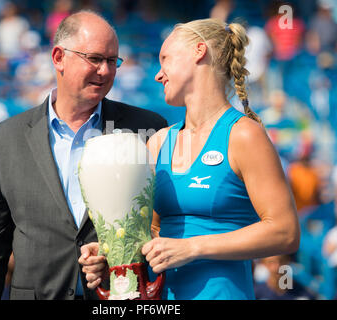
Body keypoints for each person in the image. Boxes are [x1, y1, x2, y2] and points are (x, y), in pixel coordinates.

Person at [80, 18, 300, 300]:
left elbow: (285, 232)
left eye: (165, 59)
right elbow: (152, 233)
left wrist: (192, 247)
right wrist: (110, 251)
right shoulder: (158, 141)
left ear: (199, 51)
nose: (158, 75)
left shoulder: (244, 135)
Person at [0, 10, 167, 300]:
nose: (106, 71)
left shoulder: (147, 129)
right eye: (95, 59)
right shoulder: (5, 139)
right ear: (59, 57)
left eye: (112, 61)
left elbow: (164, 226)